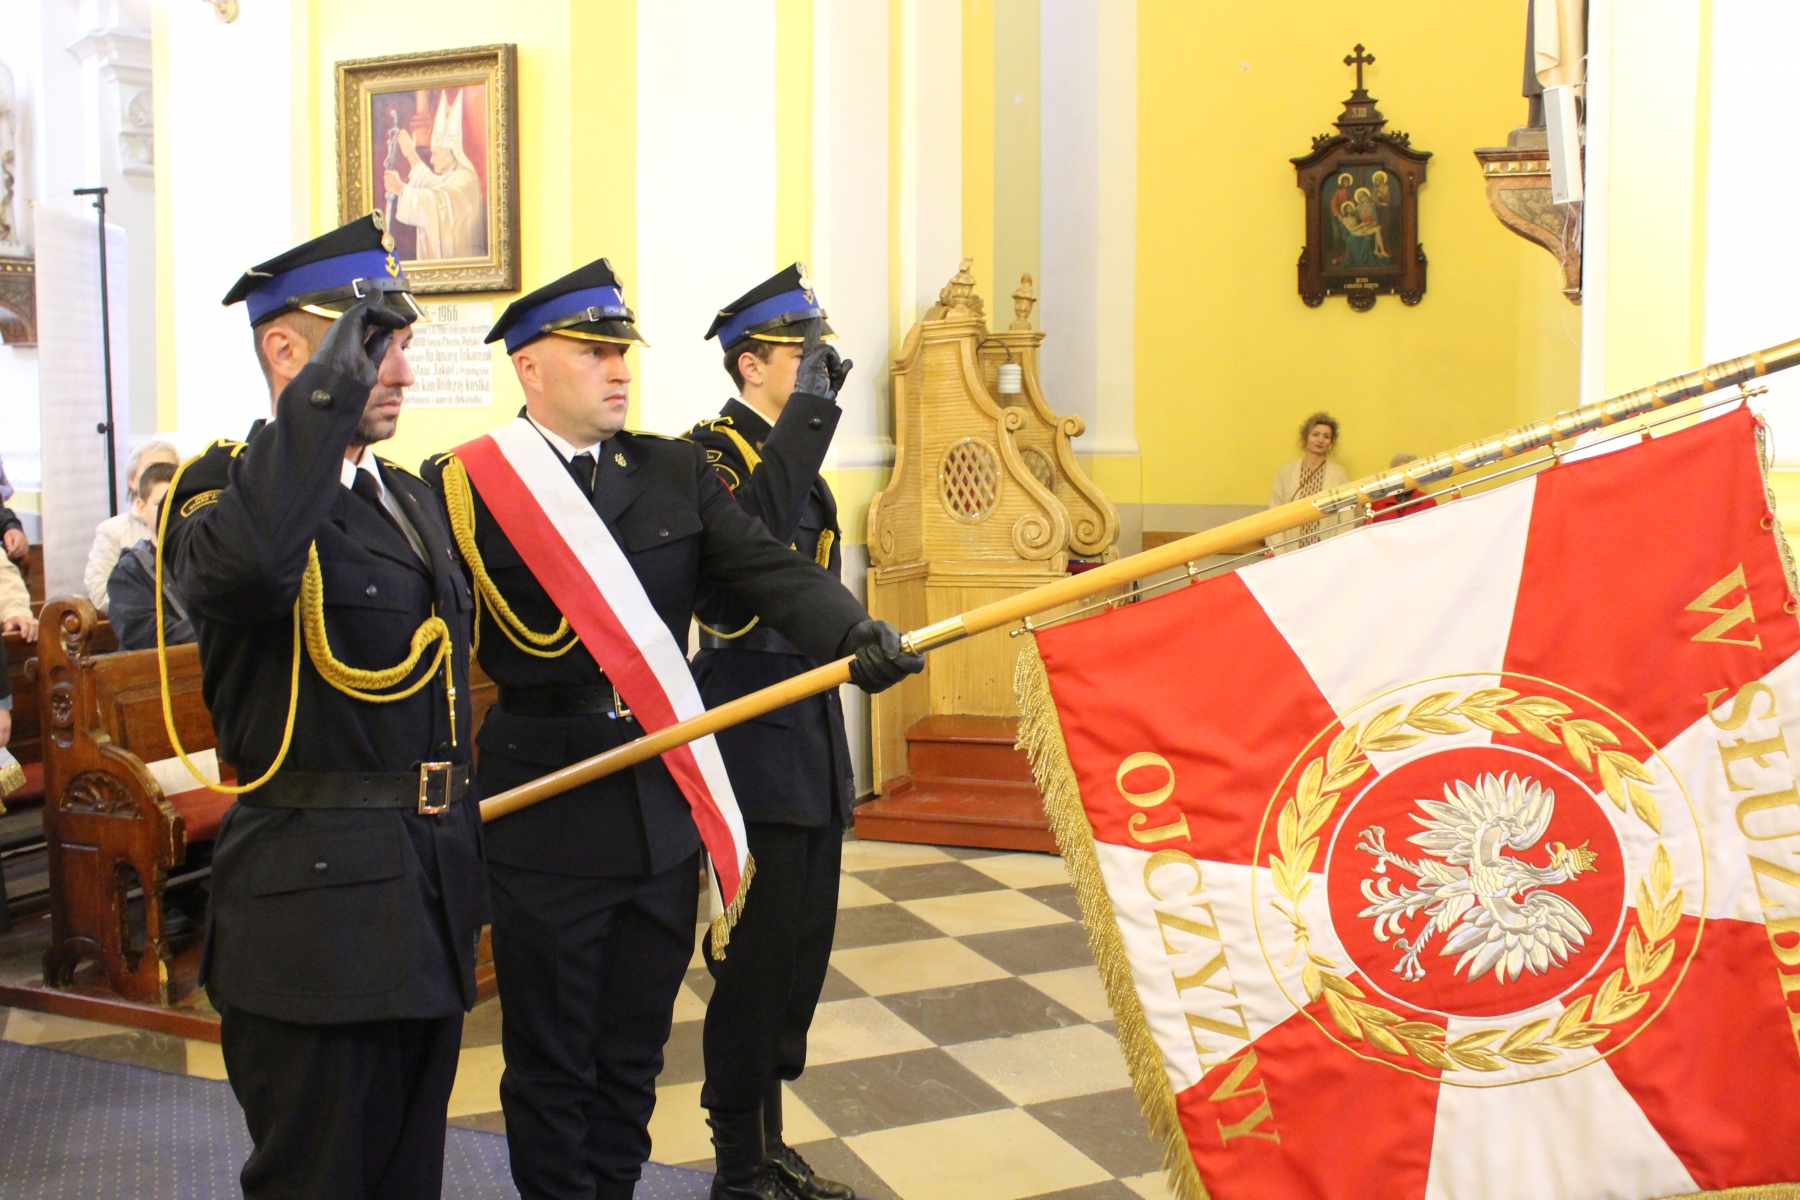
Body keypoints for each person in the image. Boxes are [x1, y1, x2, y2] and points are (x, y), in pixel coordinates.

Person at [421, 257, 921, 1200]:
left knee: (632, 1058)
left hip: (657, 806)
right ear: (529, 368)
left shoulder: (670, 471)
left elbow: (761, 569)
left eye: (623, 352)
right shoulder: (464, 486)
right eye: (594, 353)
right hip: (545, 807)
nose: (620, 370)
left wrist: (848, 630)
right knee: (553, 1061)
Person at [162, 213, 485, 1200]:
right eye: (374, 344)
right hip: (315, 919)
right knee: (319, 1179)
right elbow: (251, 571)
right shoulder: (220, 492)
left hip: (424, 896)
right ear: (285, 351)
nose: (401, 373)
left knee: (406, 1177)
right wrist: (328, 392)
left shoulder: (409, 498)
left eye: (398, 345)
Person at [686, 265, 857, 1200]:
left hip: (808, 724)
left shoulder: (788, 450)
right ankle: (737, 1163)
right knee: (754, 962)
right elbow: (737, 568)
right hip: (751, 727)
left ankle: (770, 1142)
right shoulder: (709, 455)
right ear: (751, 364)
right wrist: (809, 423)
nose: (821, 371)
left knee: (799, 955)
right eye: (805, 355)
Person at [386, 88, 486, 260]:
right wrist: (410, 153)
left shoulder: (466, 179)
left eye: (435, 154)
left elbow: (437, 201)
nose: (431, 160)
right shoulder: (454, 176)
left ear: (450, 153)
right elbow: (434, 184)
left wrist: (401, 189)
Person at [106, 462, 194, 651]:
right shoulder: (128, 572)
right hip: (154, 667)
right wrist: (209, 634)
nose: (171, 510)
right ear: (141, 508)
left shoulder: (200, 558)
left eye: (178, 501)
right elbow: (143, 631)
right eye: (161, 503)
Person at [85, 439, 180, 611]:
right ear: (132, 480)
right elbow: (99, 590)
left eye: (167, 469)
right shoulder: (112, 531)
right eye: (151, 469)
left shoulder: (190, 526)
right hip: (138, 618)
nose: (160, 476)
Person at [1267, 411, 1352, 554]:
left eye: (1326, 436)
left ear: (1331, 443)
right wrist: (1280, 553)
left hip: (1326, 553)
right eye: (1315, 434)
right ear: (1305, 437)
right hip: (1291, 553)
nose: (1320, 440)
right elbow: (1274, 515)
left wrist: (1337, 552)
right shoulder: (1286, 473)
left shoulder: (1339, 475)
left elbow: (1347, 518)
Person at [1369, 452, 1439, 523]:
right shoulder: (1377, 504)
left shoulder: (1428, 502)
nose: (1404, 477)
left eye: (1408, 472)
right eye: (1400, 472)